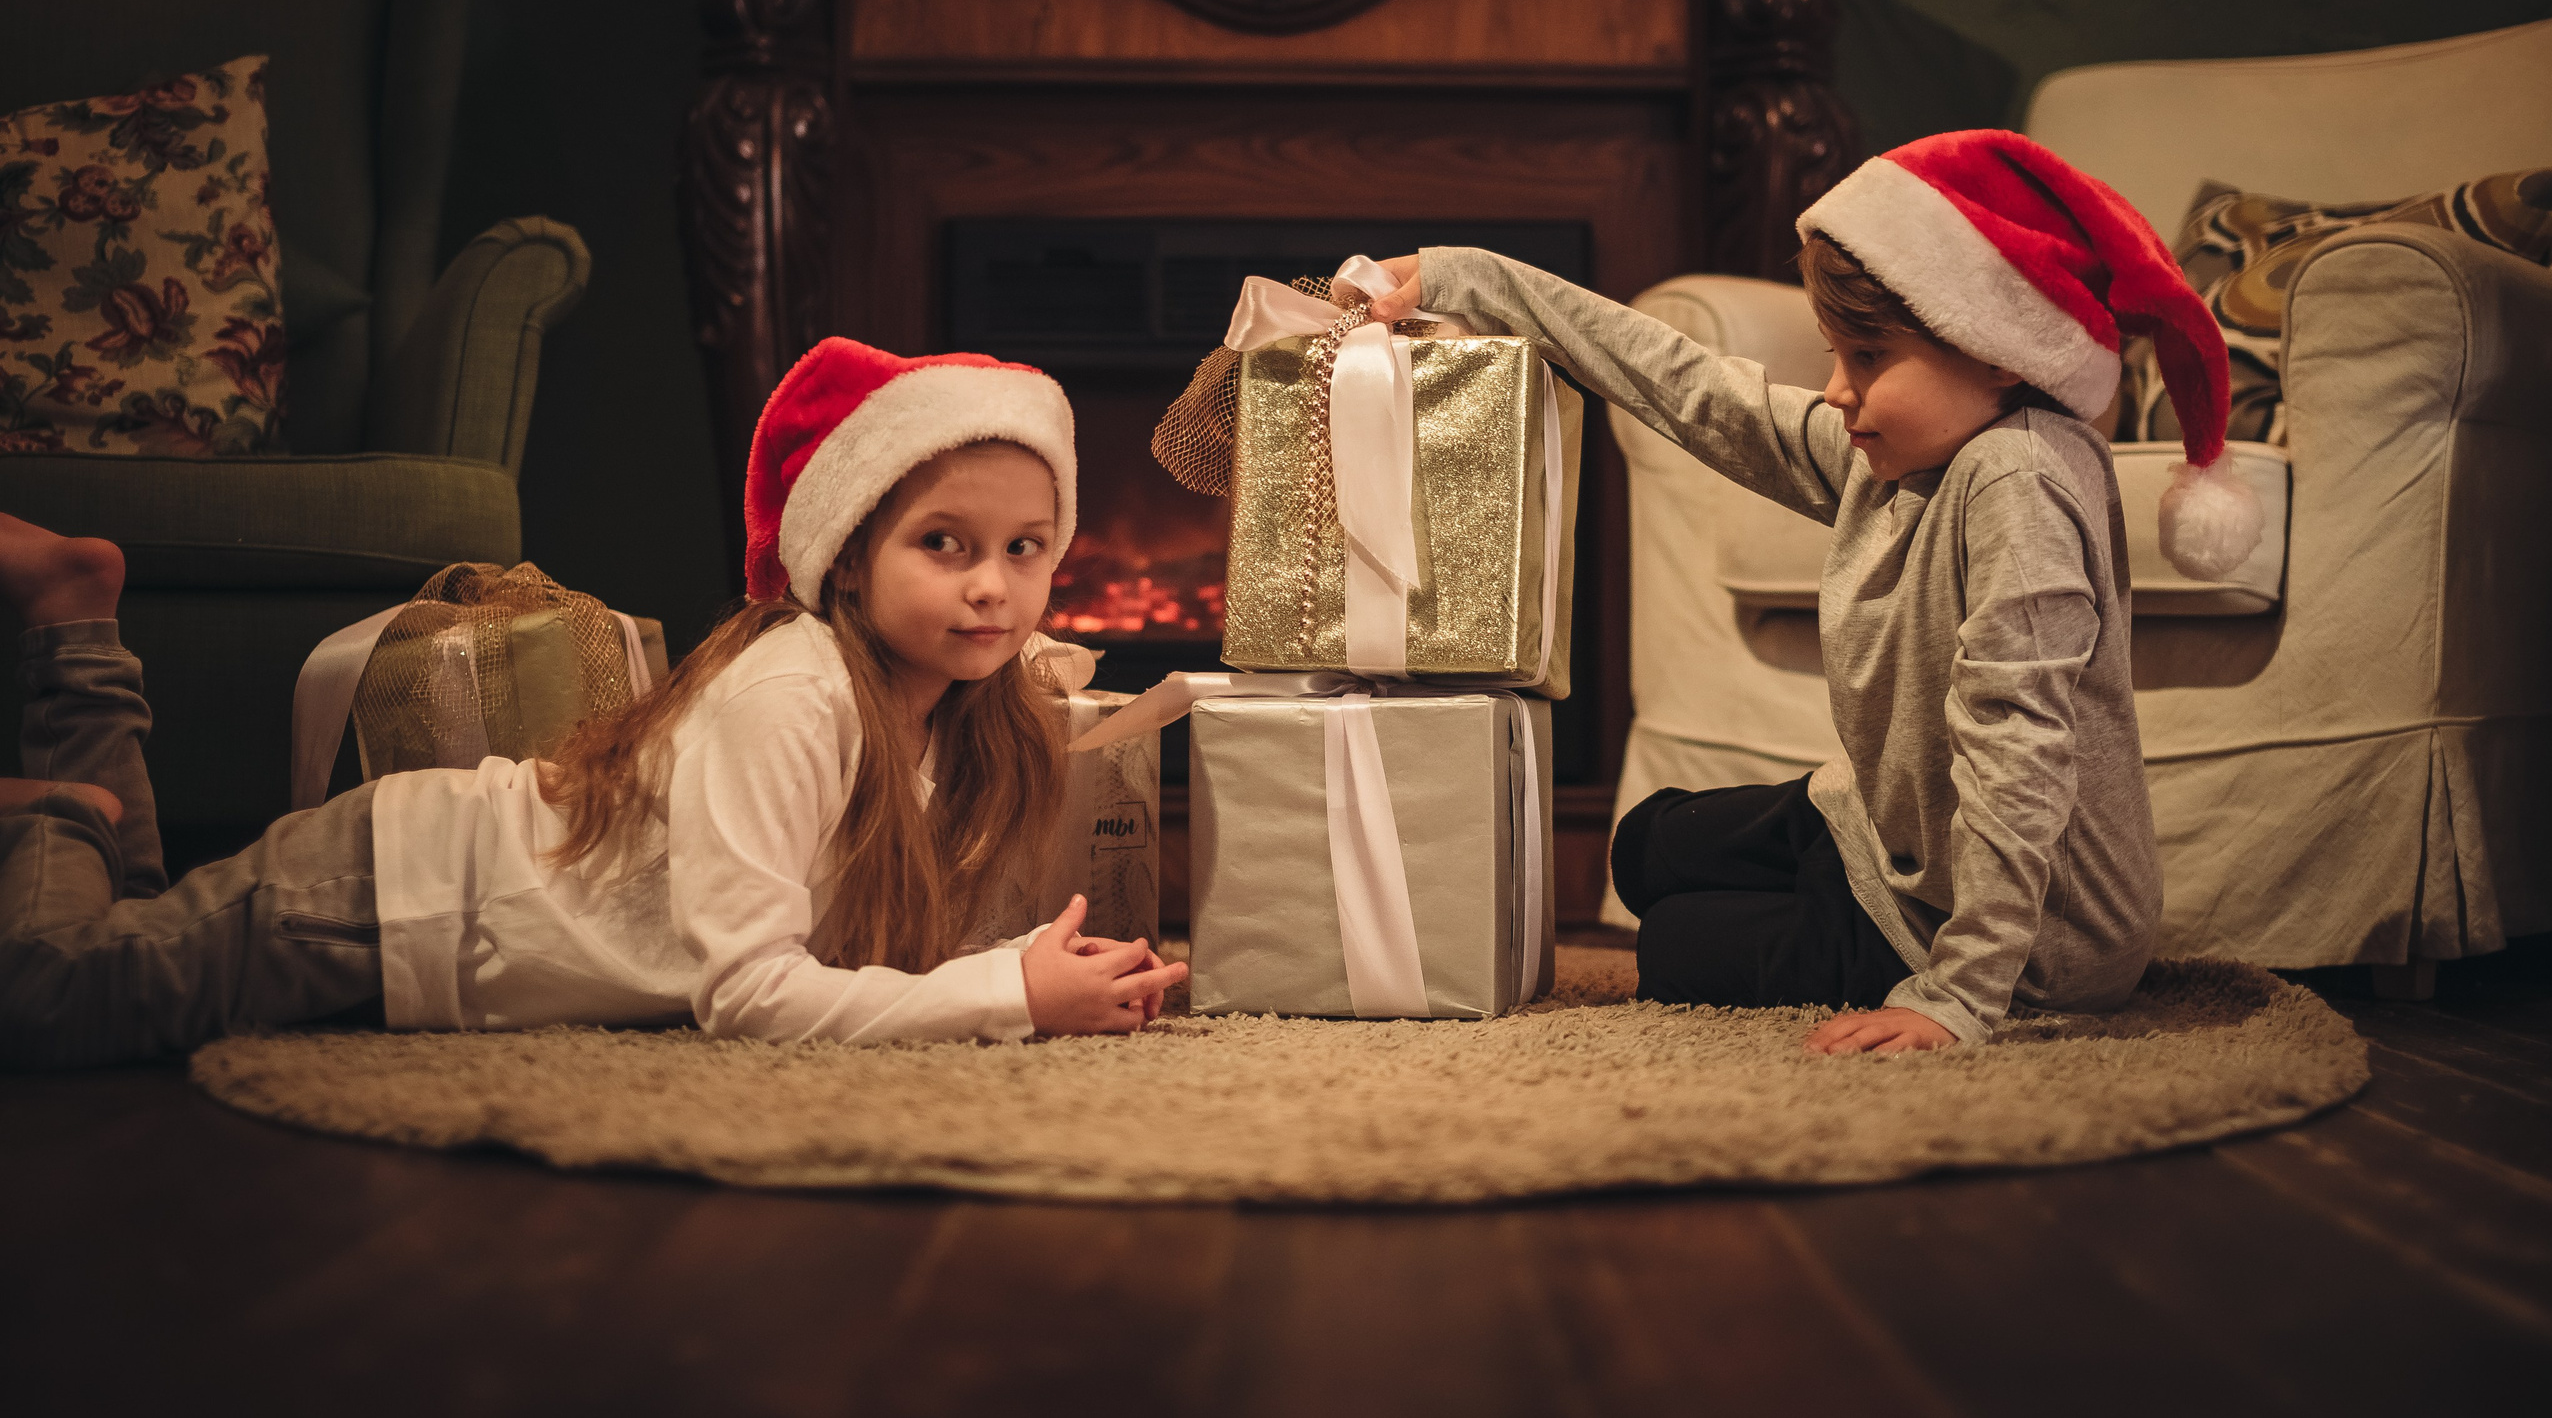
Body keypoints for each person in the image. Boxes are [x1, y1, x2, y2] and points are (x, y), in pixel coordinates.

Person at [0, 338, 1185, 1068]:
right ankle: (61, 767)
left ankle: (78, 718)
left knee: (124, 932)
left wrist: (1032, 963)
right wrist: (1009, 994)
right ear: (848, 556)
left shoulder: (966, 713)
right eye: (944, 542)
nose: (992, 585)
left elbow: (860, 946)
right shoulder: (794, 689)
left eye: (1025, 546)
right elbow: (749, 991)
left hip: (418, 908)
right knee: (44, 1001)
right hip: (389, 897)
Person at [1353, 130, 2260, 1054]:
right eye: (1835, 354)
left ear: (1997, 350)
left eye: (1867, 357)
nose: (1835, 391)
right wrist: (1473, 278)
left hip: (2037, 940)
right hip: (1902, 845)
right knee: (1646, 843)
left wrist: (1957, 995)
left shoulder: (2020, 482)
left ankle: (1876, 930)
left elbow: (2018, 754)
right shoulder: (1904, 453)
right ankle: (1831, 891)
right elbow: (1699, 390)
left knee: (1674, 946)